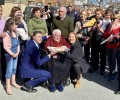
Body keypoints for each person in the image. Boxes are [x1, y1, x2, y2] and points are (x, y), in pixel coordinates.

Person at [3, 18, 20, 95]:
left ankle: (13, 82)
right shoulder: (6, 34)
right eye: (15, 24)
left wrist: (18, 51)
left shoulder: (16, 33)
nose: (16, 26)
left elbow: (18, 43)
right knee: (9, 69)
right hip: (9, 54)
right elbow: (5, 46)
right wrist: (12, 54)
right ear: (11, 25)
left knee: (14, 68)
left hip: (15, 53)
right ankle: (8, 86)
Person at [0, 5, 6, 82]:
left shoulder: (3, 21)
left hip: (3, 43)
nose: (0, 12)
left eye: (1, 10)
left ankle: (4, 78)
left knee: (4, 60)